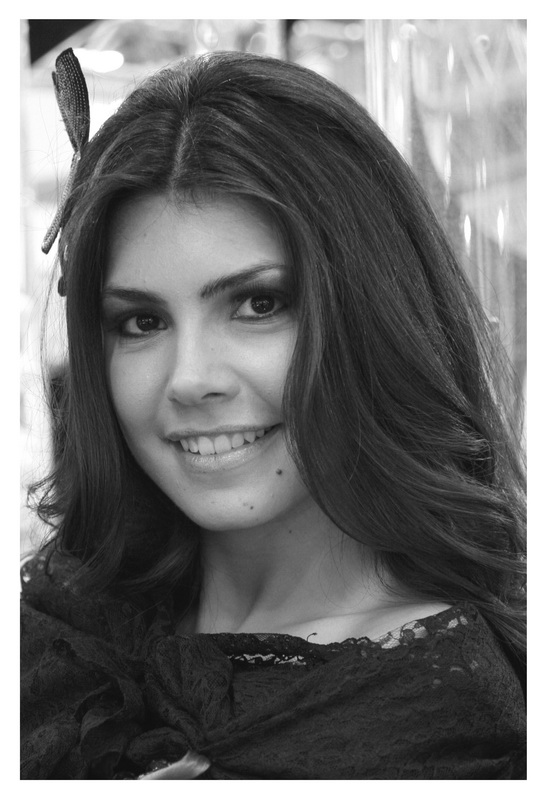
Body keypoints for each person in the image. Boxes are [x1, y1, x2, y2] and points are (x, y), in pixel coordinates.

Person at [21, 48, 526, 780]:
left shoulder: (449, 719)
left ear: (375, 316)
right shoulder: (66, 615)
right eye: (141, 322)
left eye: (259, 305)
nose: (190, 380)